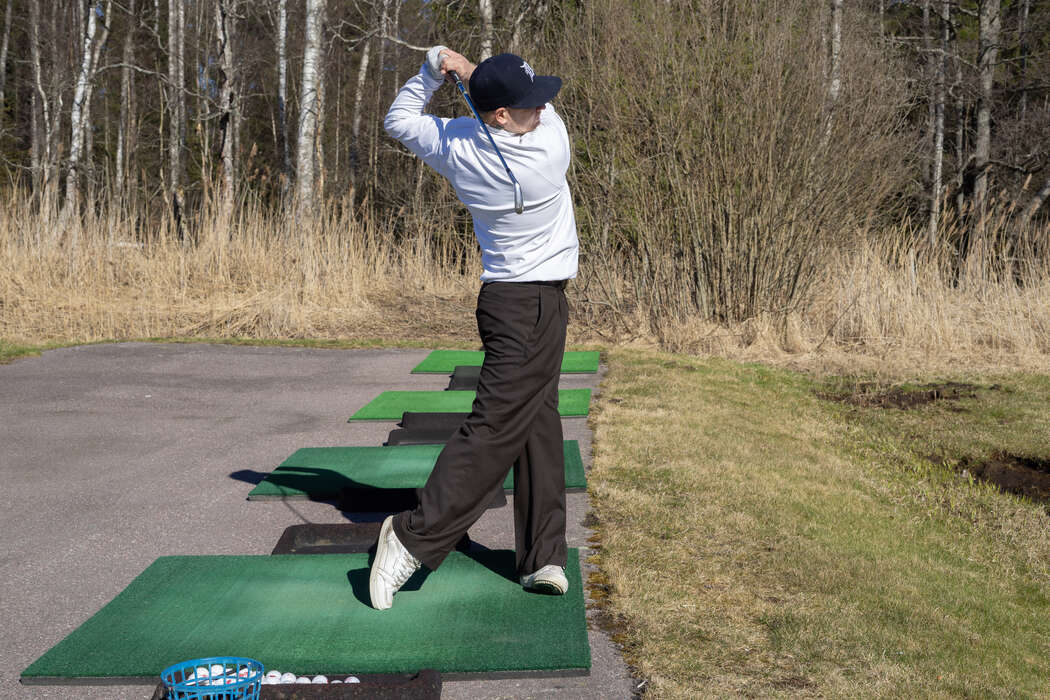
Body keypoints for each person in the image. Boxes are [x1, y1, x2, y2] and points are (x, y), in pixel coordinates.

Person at [369, 47, 579, 610]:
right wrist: (467, 70)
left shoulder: (456, 145)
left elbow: (399, 121)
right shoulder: (550, 148)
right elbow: (539, 117)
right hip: (532, 305)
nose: (543, 108)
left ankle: (542, 555)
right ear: (502, 115)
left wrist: (429, 71)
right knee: (495, 428)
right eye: (530, 103)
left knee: (538, 421)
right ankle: (412, 536)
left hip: (506, 300)